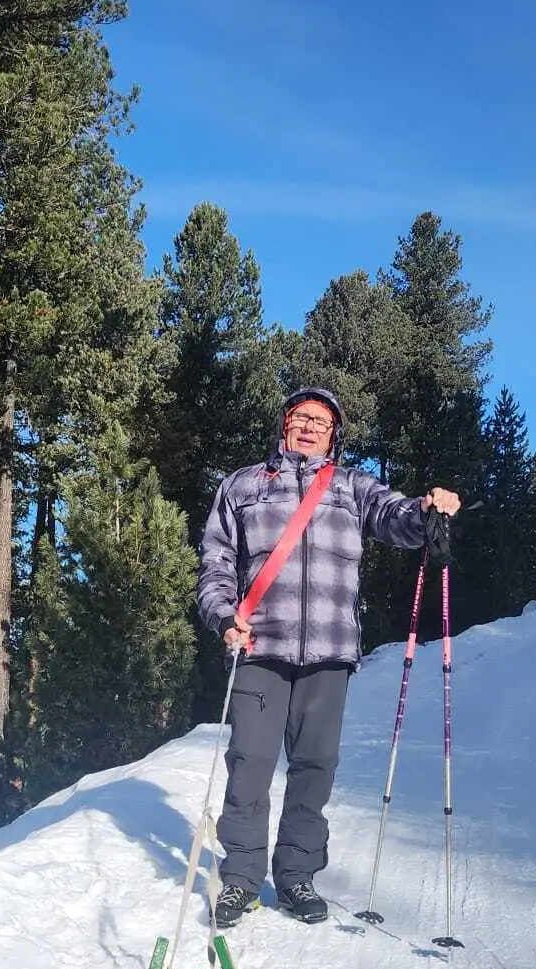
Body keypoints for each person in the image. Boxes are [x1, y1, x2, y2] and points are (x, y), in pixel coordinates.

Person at [196, 387, 461, 928]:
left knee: (315, 767)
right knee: (249, 763)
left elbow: (396, 518)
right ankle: (241, 878)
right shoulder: (242, 485)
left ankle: (296, 875)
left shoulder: (351, 485)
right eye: (302, 417)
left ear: (334, 434)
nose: (311, 427)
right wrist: (223, 617)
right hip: (258, 646)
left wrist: (427, 508)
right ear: (284, 424)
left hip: (330, 649)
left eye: (322, 421)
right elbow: (216, 561)